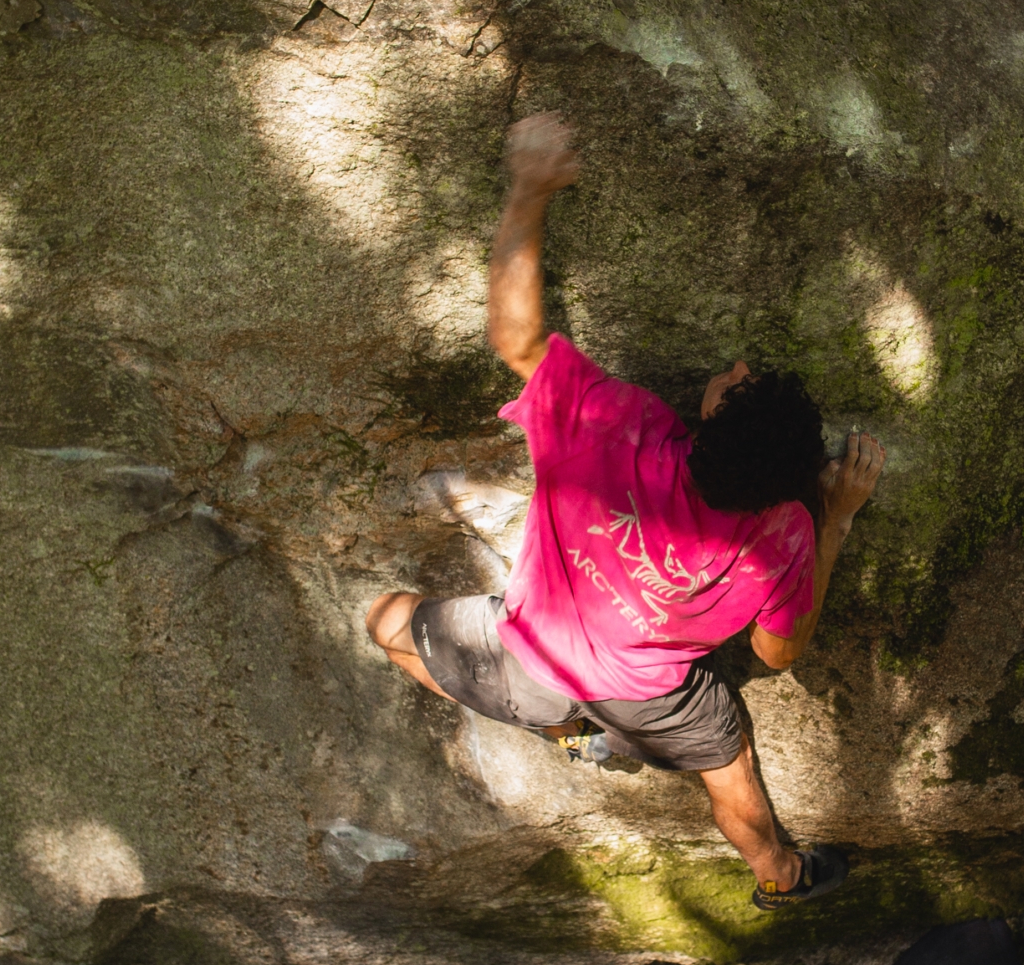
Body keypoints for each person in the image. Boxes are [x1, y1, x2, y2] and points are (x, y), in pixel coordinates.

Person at [366, 113, 887, 909]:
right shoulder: (784, 533)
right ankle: (781, 879)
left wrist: (530, 188)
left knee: (387, 623)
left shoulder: (619, 429)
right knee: (730, 767)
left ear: (709, 420)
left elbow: (517, 339)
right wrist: (837, 517)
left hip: (534, 657)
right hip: (655, 696)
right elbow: (779, 655)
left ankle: (572, 739)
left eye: (734, 384)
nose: (735, 366)